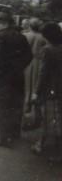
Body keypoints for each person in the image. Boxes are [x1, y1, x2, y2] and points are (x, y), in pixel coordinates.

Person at [0, 12, 32, 148]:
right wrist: (19, 67)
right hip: (18, 76)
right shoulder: (21, 37)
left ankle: (4, 138)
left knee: (2, 106)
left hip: (3, 76)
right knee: (16, 104)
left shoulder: (0, 36)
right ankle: (15, 132)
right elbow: (29, 55)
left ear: (4, 23)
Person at [31, 23, 62, 161]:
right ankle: (42, 145)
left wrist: (36, 92)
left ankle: (46, 147)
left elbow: (43, 74)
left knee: (49, 118)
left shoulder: (48, 50)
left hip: (51, 89)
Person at [22, 18, 47, 130]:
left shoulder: (26, 36)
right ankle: (36, 118)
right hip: (39, 63)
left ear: (30, 26)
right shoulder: (43, 37)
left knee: (26, 89)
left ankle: (25, 119)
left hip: (27, 63)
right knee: (36, 89)